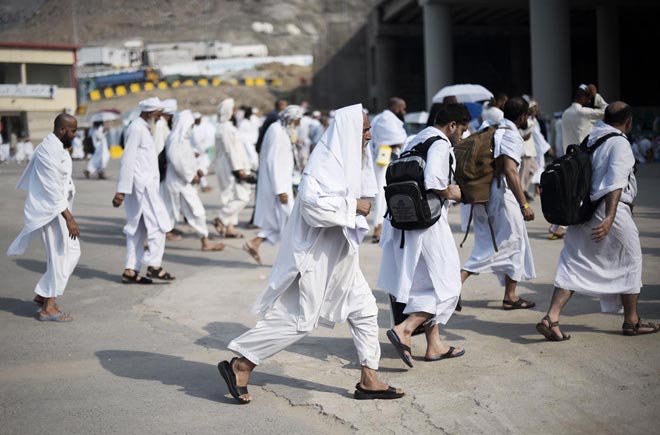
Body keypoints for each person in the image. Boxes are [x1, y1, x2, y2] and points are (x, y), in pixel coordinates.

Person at [218, 104, 404, 403]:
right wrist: (352, 206)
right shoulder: (325, 162)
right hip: (315, 256)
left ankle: (369, 379)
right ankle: (242, 362)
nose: (370, 134)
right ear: (349, 131)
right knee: (300, 320)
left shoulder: (350, 159)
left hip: (342, 253)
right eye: (365, 129)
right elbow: (311, 204)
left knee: (366, 310)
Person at [536, 101, 659, 340]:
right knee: (630, 260)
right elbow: (615, 183)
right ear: (629, 122)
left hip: (583, 211)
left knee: (573, 262)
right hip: (609, 210)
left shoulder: (591, 139)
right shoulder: (620, 143)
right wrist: (611, 217)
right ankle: (631, 321)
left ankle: (551, 317)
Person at [378, 103, 469, 367]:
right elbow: (435, 183)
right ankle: (405, 329)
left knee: (425, 284)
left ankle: (434, 345)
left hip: (406, 222)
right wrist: (459, 192)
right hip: (429, 224)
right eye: (461, 130)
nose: (461, 136)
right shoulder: (440, 143)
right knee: (449, 284)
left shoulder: (414, 139)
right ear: (452, 125)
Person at [460, 97, 537, 310]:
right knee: (508, 242)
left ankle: (510, 296)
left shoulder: (492, 128)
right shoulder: (511, 135)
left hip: (484, 192)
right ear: (522, 116)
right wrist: (524, 204)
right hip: (502, 194)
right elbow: (511, 171)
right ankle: (457, 281)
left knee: (504, 242)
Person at [7, 113, 80, 322]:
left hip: (58, 209)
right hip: (50, 211)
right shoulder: (48, 151)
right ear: (62, 130)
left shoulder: (57, 146)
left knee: (71, 252)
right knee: (60, 255)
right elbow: (52, 190)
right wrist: (69, 218)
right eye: (73, 130)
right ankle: (48, 307)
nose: (75, 135)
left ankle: (43, 293)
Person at [112, 97, 176, 284]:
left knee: (137, 230)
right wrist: (120, 191)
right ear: (148, 113)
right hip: (141, 188)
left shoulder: (145, 129)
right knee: (159, 224)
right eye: (157, 115)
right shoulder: (136, 129)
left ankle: (130, 270)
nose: (159, 118)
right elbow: (128, 159)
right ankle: (154, 265)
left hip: (146, 186)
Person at [243, 105, 304, 264]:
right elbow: (273, 161)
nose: (299, 124)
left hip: (283, 184)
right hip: (279, 187)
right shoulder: (276, 131)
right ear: (291, 118)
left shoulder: (283, 130)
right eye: (298, 120)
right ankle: (291, 260)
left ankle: (255, 242)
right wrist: (280, 190)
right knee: (291, 223)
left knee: (281, 222)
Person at [549, 84, 608, 240]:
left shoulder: (566, 113)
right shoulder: (583, 113)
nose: (589, 101)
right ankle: (560, 226)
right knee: (578, 192)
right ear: (583, 98)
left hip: (569, 157)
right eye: (588, 98)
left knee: (572, 190)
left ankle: (557, 225)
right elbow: (608, 110)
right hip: (583, 159)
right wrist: (597, 96)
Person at [162, 109, 225, 252]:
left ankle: (204, 240)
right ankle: (205, 242)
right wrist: (191, 176)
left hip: (181, 182)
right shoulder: (176, 140)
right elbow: (177, 162)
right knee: (194, 212)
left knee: (177, 212)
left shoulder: (181, 139)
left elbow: (183, 159)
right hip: (180, 183)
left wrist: (193, 160)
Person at [370, 97, 408, 243]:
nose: (404, 112)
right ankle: (378, 227)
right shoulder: (386, 120)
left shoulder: (386, 118)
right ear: (397, 108)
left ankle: (387, 227)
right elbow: (399, 140)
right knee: (382, 193)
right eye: (403, 109)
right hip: (384, 158)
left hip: (392, 158)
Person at [213, 99, 252, 239]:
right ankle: (221, 218)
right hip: (230, 167)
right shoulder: (225, 128)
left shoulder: (225, 127)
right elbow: (231, 150)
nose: (235, 112)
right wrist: (239, 169)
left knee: (232, 198)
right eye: (233, 109)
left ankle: (229, 228)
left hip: (229, 166)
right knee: (242, 197)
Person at [191, 111, 215, 193]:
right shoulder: (193, 129)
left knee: (200, 169)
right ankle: (203, 186)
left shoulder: (205, 127)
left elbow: (209, 139)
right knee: (199, 170)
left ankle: (204, 185)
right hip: (196, 153)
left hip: (203, 152)